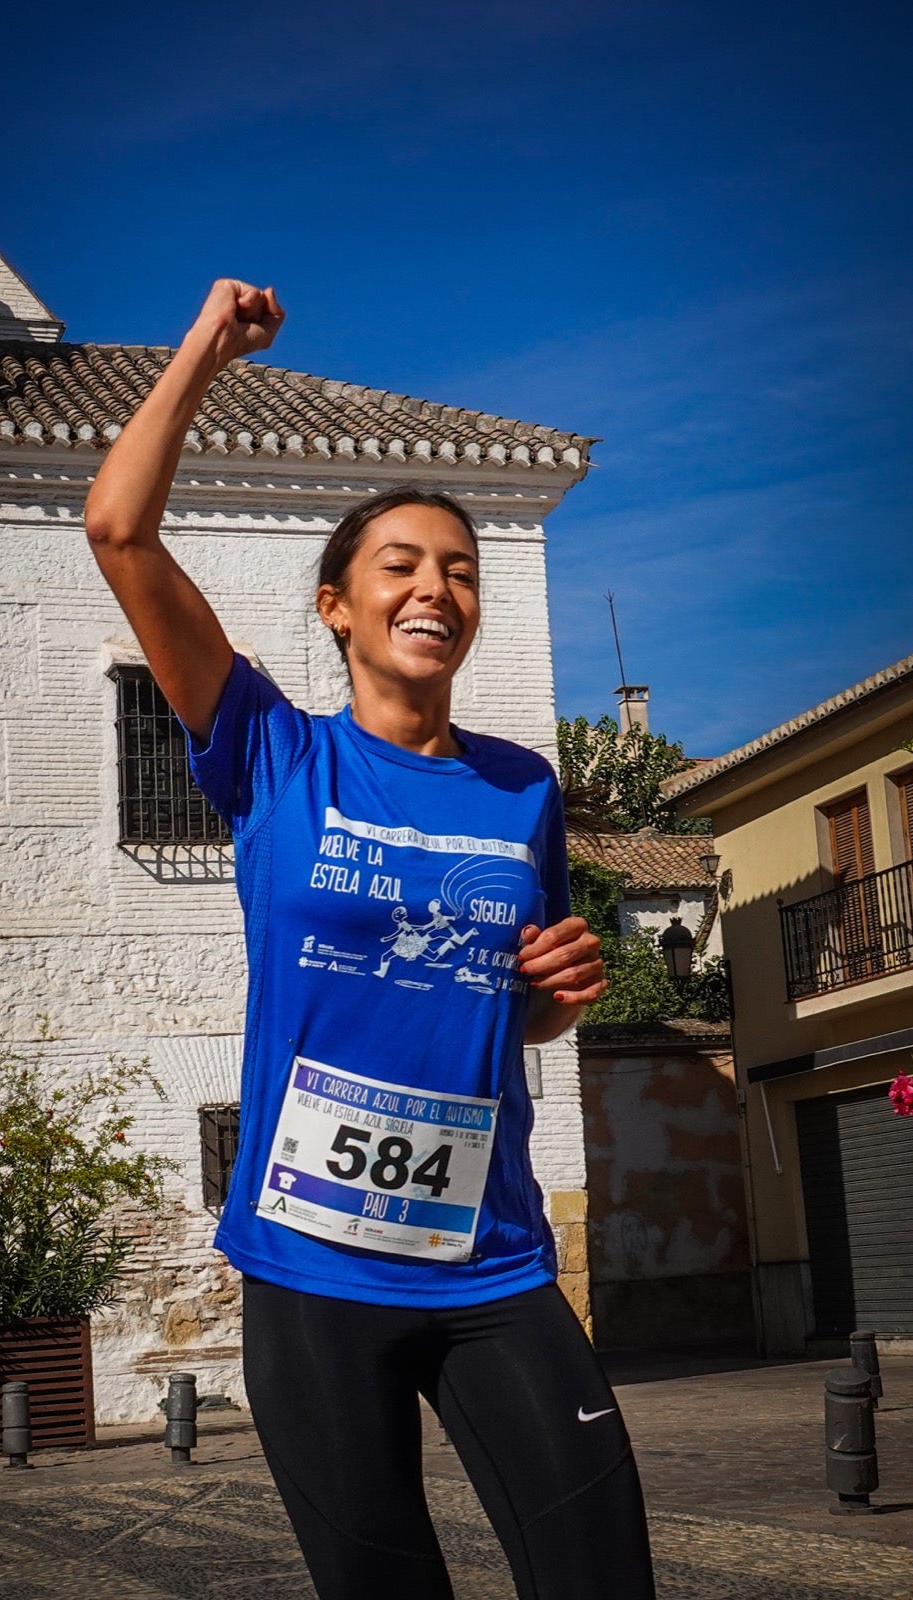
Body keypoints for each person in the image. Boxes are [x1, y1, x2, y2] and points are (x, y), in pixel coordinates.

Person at [85, 279, 656, 1600]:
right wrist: (204, 354)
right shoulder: (276, 755)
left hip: (490, 1258)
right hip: (311, 1268)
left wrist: (556, 1000)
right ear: (340, 606)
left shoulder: (524, 789)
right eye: (401, 565)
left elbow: (512, 1005)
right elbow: (119, 529)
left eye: (458, 568)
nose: (436, 586)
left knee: (600, 1574)